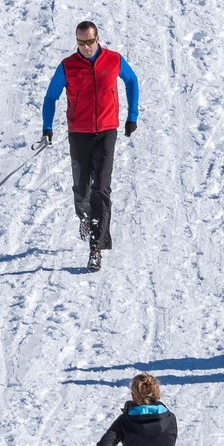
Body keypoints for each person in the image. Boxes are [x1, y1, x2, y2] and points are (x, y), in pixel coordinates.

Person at [41, 20, 139, 271]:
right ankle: (84, 218)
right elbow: (51, 97)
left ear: (98, 38)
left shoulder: (114, 60)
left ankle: (96, 247)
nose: (85, 47)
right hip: (79, 134)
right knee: (82, 189)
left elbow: (132, 81)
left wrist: (132, 116)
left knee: (102, 188)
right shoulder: (67, 66)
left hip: (107, 131)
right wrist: (47, 127)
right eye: (80, 42)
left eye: (89, 41)